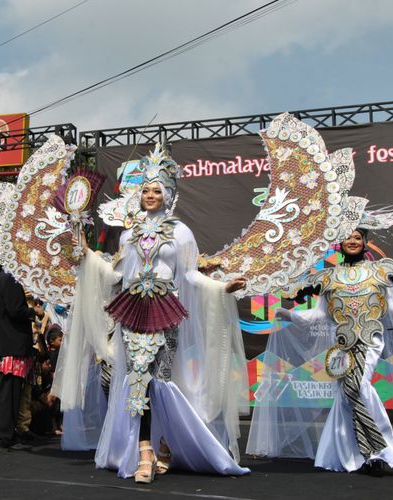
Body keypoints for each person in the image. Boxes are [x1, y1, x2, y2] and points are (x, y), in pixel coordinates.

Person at [56, 146, 249, 483]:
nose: (150, 195)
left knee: (159, 378)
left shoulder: (181, 232)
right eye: (145, 189)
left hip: (165, 310)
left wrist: (222, 288)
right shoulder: (129, 234)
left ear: (168, 195)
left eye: (157, 190)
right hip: (132, 311)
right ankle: (145, 450)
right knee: (136, 380)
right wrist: (86, 254)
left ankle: (166, 442)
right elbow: (118, 273)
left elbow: (189, 275)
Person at [249, 229, 393, 476]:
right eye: (348, 237)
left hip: (370, 341)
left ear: (365, 241)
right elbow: (318, 316)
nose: (353, 241)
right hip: (342, 345)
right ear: (340, 243)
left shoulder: (380, 272)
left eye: (357, 237)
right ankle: (350, 454)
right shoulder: (328, 277)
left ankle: (377, 451)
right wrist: (287, 315)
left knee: (357, 388)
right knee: (347, 394)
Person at [0, 271, 43, 452]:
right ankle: (4, 436)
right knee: (8, 392)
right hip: (11, 344)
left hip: (5, 343)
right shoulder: (11, 279)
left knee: (2, 390)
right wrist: (33, 311)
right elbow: (15, 309)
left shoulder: (3, 279)